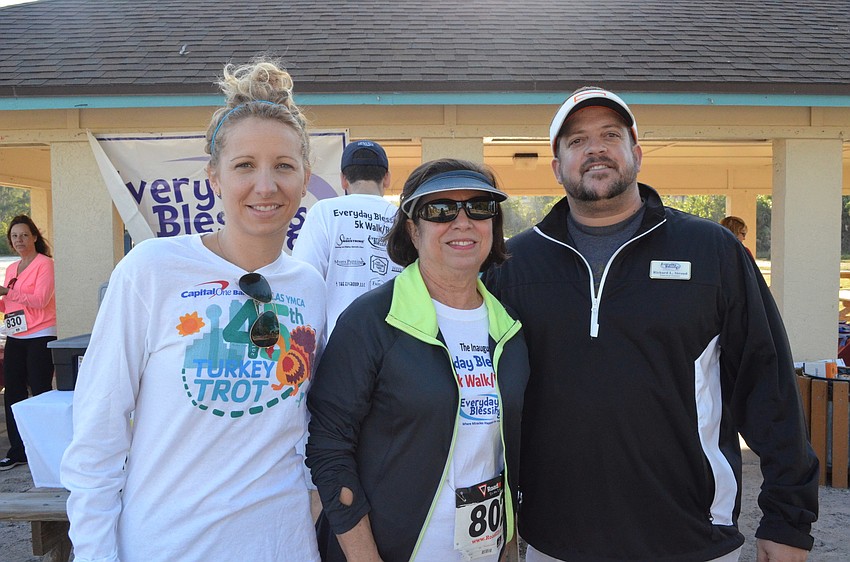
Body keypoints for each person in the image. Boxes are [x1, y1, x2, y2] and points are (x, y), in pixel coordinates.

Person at [483, 87, 818, 562]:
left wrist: (789, 519)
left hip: (690, 538)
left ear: (636, 154)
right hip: (553, 542)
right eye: (576, 141)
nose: (595, 148)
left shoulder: (712, 251)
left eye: (610, 135)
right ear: (556, 166)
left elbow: (769, 384)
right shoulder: (513, 266)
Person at [60, 59, 325, 562]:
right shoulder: (152, 270)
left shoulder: (310, 286)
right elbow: (98, 433)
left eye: (283, 166)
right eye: (244, 165)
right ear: (214, 178)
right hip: (165, 545)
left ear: (305, 178)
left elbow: (309, 421)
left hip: (282, 545)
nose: (265, 186)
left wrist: (310, 504)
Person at [306, 159, 529, 561]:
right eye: (440, 209)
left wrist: (509, 548)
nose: (463, 222)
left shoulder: (509, 328)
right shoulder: (371, 320)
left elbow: (501, 454)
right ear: (412, 228)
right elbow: (328, 445)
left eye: (480, 207)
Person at [292, 139, 400, 335]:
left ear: (343, 179)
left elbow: (303, 277)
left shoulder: (324, 211)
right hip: (396, 343)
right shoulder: (403, 218)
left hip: (338, 343)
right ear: (387, 179)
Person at [0, 215, 57, 471]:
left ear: (34, 236)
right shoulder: (12, 268)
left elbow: (41, 300)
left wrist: (7, 292)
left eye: (24, 235)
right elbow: (11, 303)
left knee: (40, 390)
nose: (19, 240)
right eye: (14, 236)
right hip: (16, 335)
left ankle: (46, 449)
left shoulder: (45, 264)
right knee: (13, 393)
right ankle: (18, 450)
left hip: (41, 334)